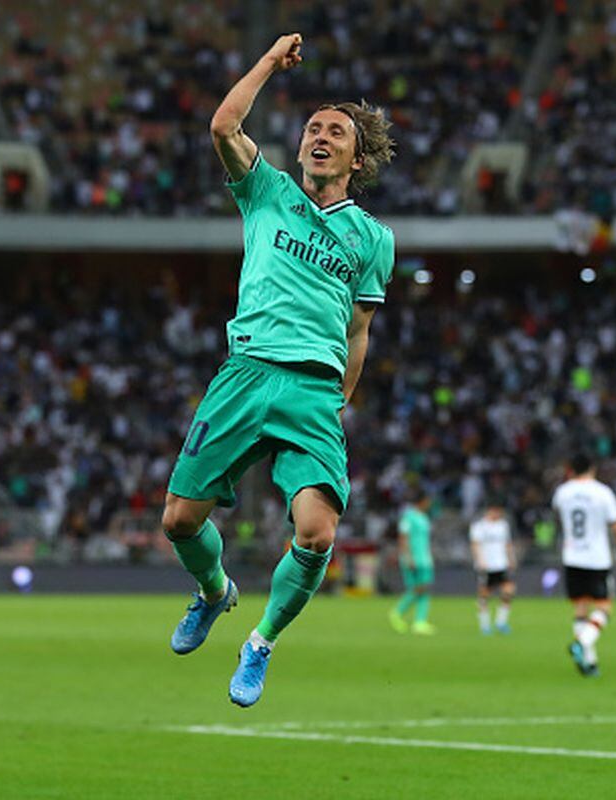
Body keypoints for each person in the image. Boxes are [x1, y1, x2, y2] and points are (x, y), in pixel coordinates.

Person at [160, 32, 395, 708]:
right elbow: (223, 124)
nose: (321, 135)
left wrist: (339, 398)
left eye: (336, 131)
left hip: (312, 389)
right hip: (246, 371)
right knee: (179, 520)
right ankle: (214, 591)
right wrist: (267, 62)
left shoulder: (374, 239)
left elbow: (359, 328)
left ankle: (260, 642)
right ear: (299, 147)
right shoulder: (267, 192)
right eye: (313, 128)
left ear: (357, 155)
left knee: (317, 534)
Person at [551, 453, 616, 677]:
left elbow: (558, 517)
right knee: (604, 608)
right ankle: (581, 643)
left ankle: (590, 663)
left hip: (572, 556)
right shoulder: (602, 492)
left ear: (571, 469)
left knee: (580, 609)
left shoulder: (562, 492)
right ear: (592, 468)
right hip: (597, 558)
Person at [389, 489, 436, 635]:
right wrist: (408, 557)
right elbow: (403, 539)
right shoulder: (408, 517)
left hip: (424, 558)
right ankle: (397, 612)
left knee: (425, 588)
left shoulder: (424, 517)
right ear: (421, 501)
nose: (429, 503)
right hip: (413, 558)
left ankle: (420, 622)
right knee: (418, 588)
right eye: (428, 500)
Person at [470, 502, 516, 635]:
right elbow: (475, 545)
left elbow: (507, 544)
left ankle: (501, 622)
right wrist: (479, 561)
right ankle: (485, 625)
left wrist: (511, 559)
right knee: (484, 595)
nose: (498, 514)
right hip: (487, 565)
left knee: (508, 591)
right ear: (490, 510)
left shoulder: (503, 525)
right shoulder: (479, 526)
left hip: (501, 564)